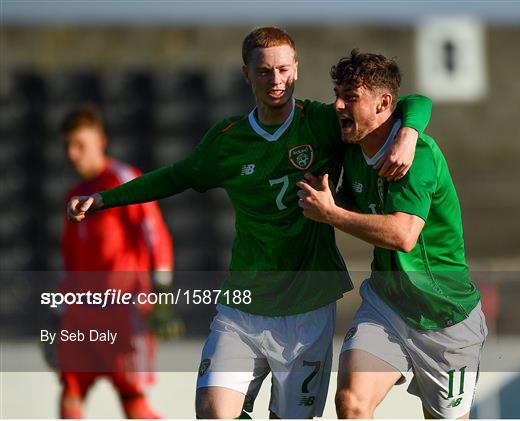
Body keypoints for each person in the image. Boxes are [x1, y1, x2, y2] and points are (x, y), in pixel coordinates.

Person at [66, 27, 432, 419]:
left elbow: (412, 102)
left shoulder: (324, 121)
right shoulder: (228, 141)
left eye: (284, 70)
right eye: (264, 71)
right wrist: (105, 199)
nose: (276, 81)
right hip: (243, 307)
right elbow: (176, 175)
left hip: (308, 308)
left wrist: (409, 132)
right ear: (246, 74)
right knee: (212, 410)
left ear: (296, 70)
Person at [297, 51, 487, 419]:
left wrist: (332, 213)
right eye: (337, 93)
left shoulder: (419, 156)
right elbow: (417, 102)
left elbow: (404, 235)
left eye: (350, 96)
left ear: (383, 103)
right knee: (351, 402)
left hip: (446, 316)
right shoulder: (351, 148)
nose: (338, 104)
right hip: (387, 307)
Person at [58, 104, 174, 419]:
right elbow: (69, 260)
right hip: (82, 314)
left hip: (125, 311)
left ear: (101, 141)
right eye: (68, 145)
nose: (72, 154)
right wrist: (59, 308)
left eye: (80, 144)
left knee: (132, 399)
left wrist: (162, 296)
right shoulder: (75, 194)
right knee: (71, 393)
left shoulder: (122, 180)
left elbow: (156, 236)